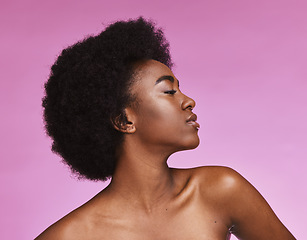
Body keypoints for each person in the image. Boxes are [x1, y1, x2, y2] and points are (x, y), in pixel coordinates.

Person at [36, 17, 295, 240]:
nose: (188, 100)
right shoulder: (72, 234)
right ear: (124, 121)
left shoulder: (220, 190)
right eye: (168, 91)